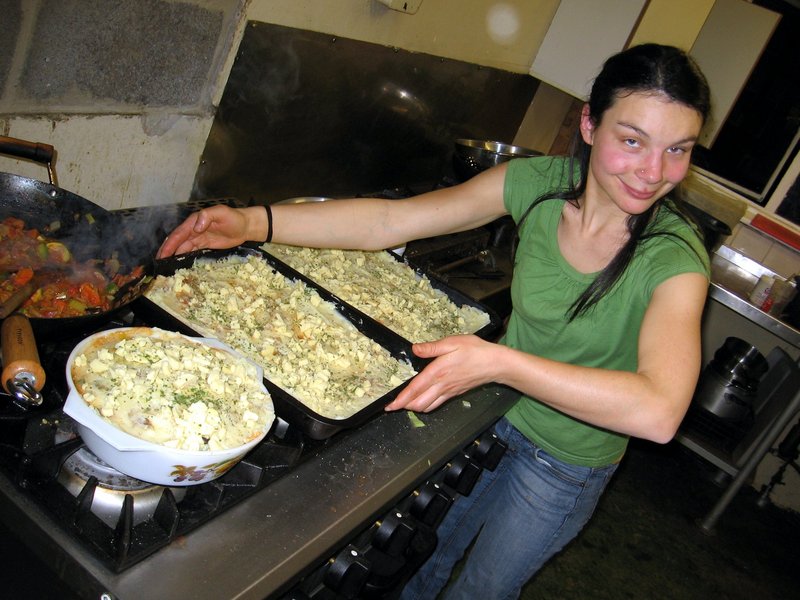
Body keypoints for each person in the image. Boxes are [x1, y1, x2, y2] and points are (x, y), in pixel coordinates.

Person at [158, 43, 711, 599]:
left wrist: (502, 363)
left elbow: (659, 411)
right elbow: (390, 220)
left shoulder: (674, 259)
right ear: (590, 124)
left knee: (480, 591)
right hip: (489, 416)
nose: (653, 172)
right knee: (418, 560)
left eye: (678, 149)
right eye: (632, 140)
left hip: (566, 464)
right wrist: (255, 221)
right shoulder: (539, 183)